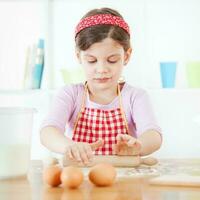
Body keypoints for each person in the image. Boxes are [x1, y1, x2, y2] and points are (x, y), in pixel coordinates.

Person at [40, 7, 162, 165]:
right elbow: (48, 131)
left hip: (124, 180)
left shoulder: (135, 96)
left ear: (126, 56)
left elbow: (153, 134)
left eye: (112, 60)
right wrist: (70, 146)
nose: (102, 69)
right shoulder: (70, 94)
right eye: (92, 60)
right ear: (79, 57)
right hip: (81, 177)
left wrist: (138, 146)